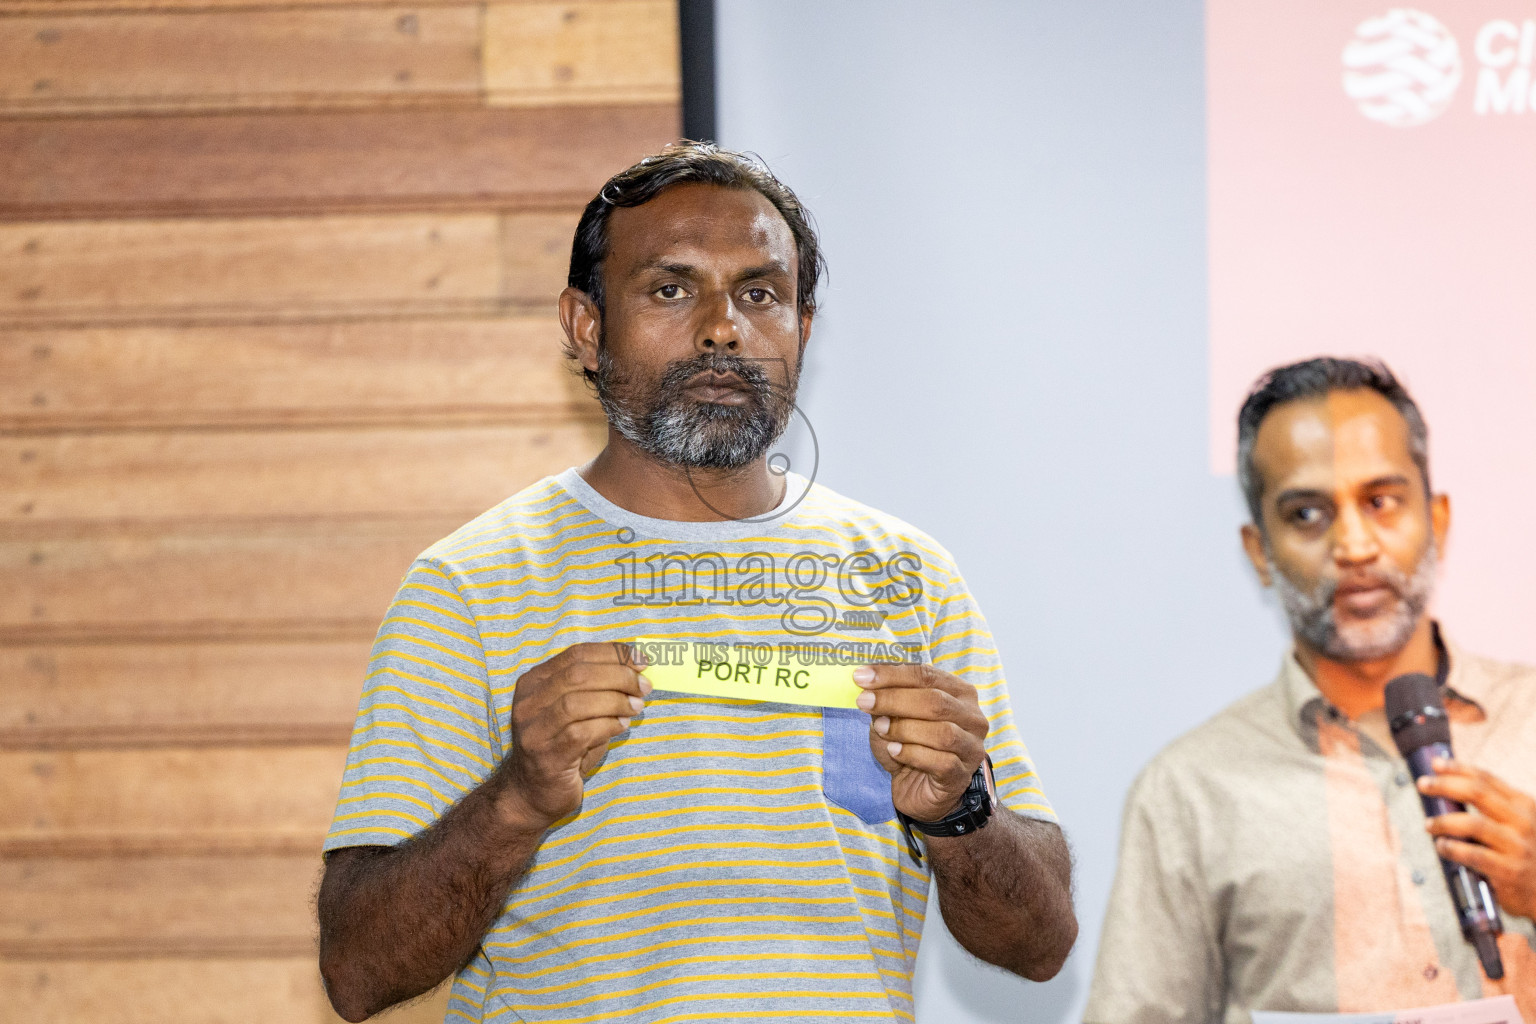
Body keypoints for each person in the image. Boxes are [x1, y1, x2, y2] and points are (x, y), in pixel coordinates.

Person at [316, 142, 1076, 1023]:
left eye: (760, 294)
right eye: (671, 290)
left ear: (803, 328)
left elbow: (1040, 945)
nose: (723, 328)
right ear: (586, 326)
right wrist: (517, 800)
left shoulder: (907, 574)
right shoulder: (470, 585)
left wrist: (960, 812)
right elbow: (358, 970)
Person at [1085, 358, 1536, 1023]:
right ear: (1260, 550)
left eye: (1381, 501)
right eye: (1307, 513)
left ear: (1436, 521)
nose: (1354, 544)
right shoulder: (1190, 791)